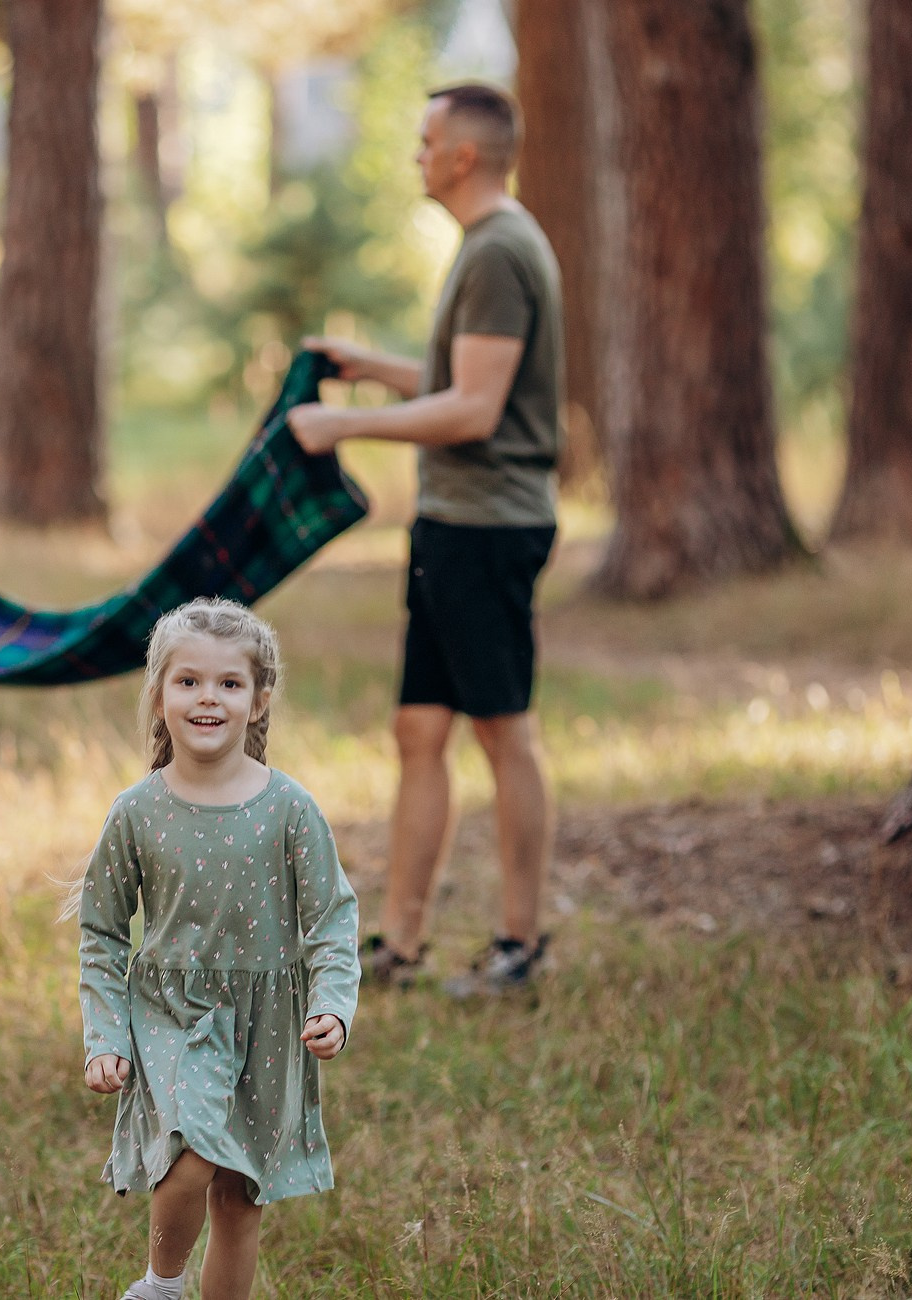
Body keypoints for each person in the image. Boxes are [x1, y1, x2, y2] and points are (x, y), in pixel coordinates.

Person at [286, 82, 563, 996]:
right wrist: (372, 371)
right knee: (419, 730)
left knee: (502, 731)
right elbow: (465, 376)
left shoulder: (497, 251)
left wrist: (344, 428)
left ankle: (519, 945)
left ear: (464, 157)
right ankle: (401, 943)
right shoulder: (489, 247)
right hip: (452, 525)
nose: (416, 152)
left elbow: (477, 410)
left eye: (426, 138)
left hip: (487, 526)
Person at [79, 598, 359, 1300]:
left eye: (230, 684)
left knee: (239, 1202)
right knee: (193, 1152)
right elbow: (104, 932)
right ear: (159, 695)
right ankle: (160, 1286)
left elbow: (330, 917)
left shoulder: (290, 807)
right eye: (189, 682)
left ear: (259, 700)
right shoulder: (137, 812)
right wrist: (105, 1034)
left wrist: (333, 1003)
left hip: (269, 1020)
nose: (209, 698)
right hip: (176, 1013)